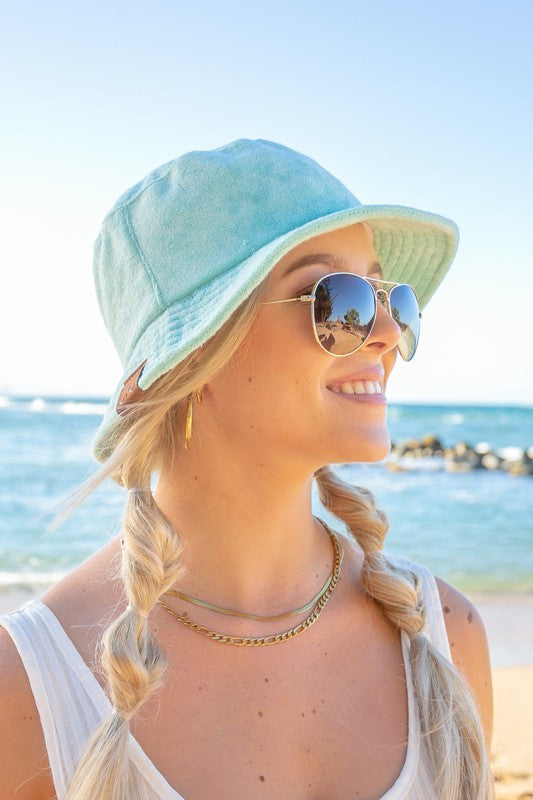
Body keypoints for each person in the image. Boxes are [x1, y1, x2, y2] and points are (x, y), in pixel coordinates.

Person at [0, 138, 494, 800]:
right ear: (189, 359)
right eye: (335, 299)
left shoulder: (444, 641)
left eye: (391, 298)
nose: (385, 332)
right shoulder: (31, 687)